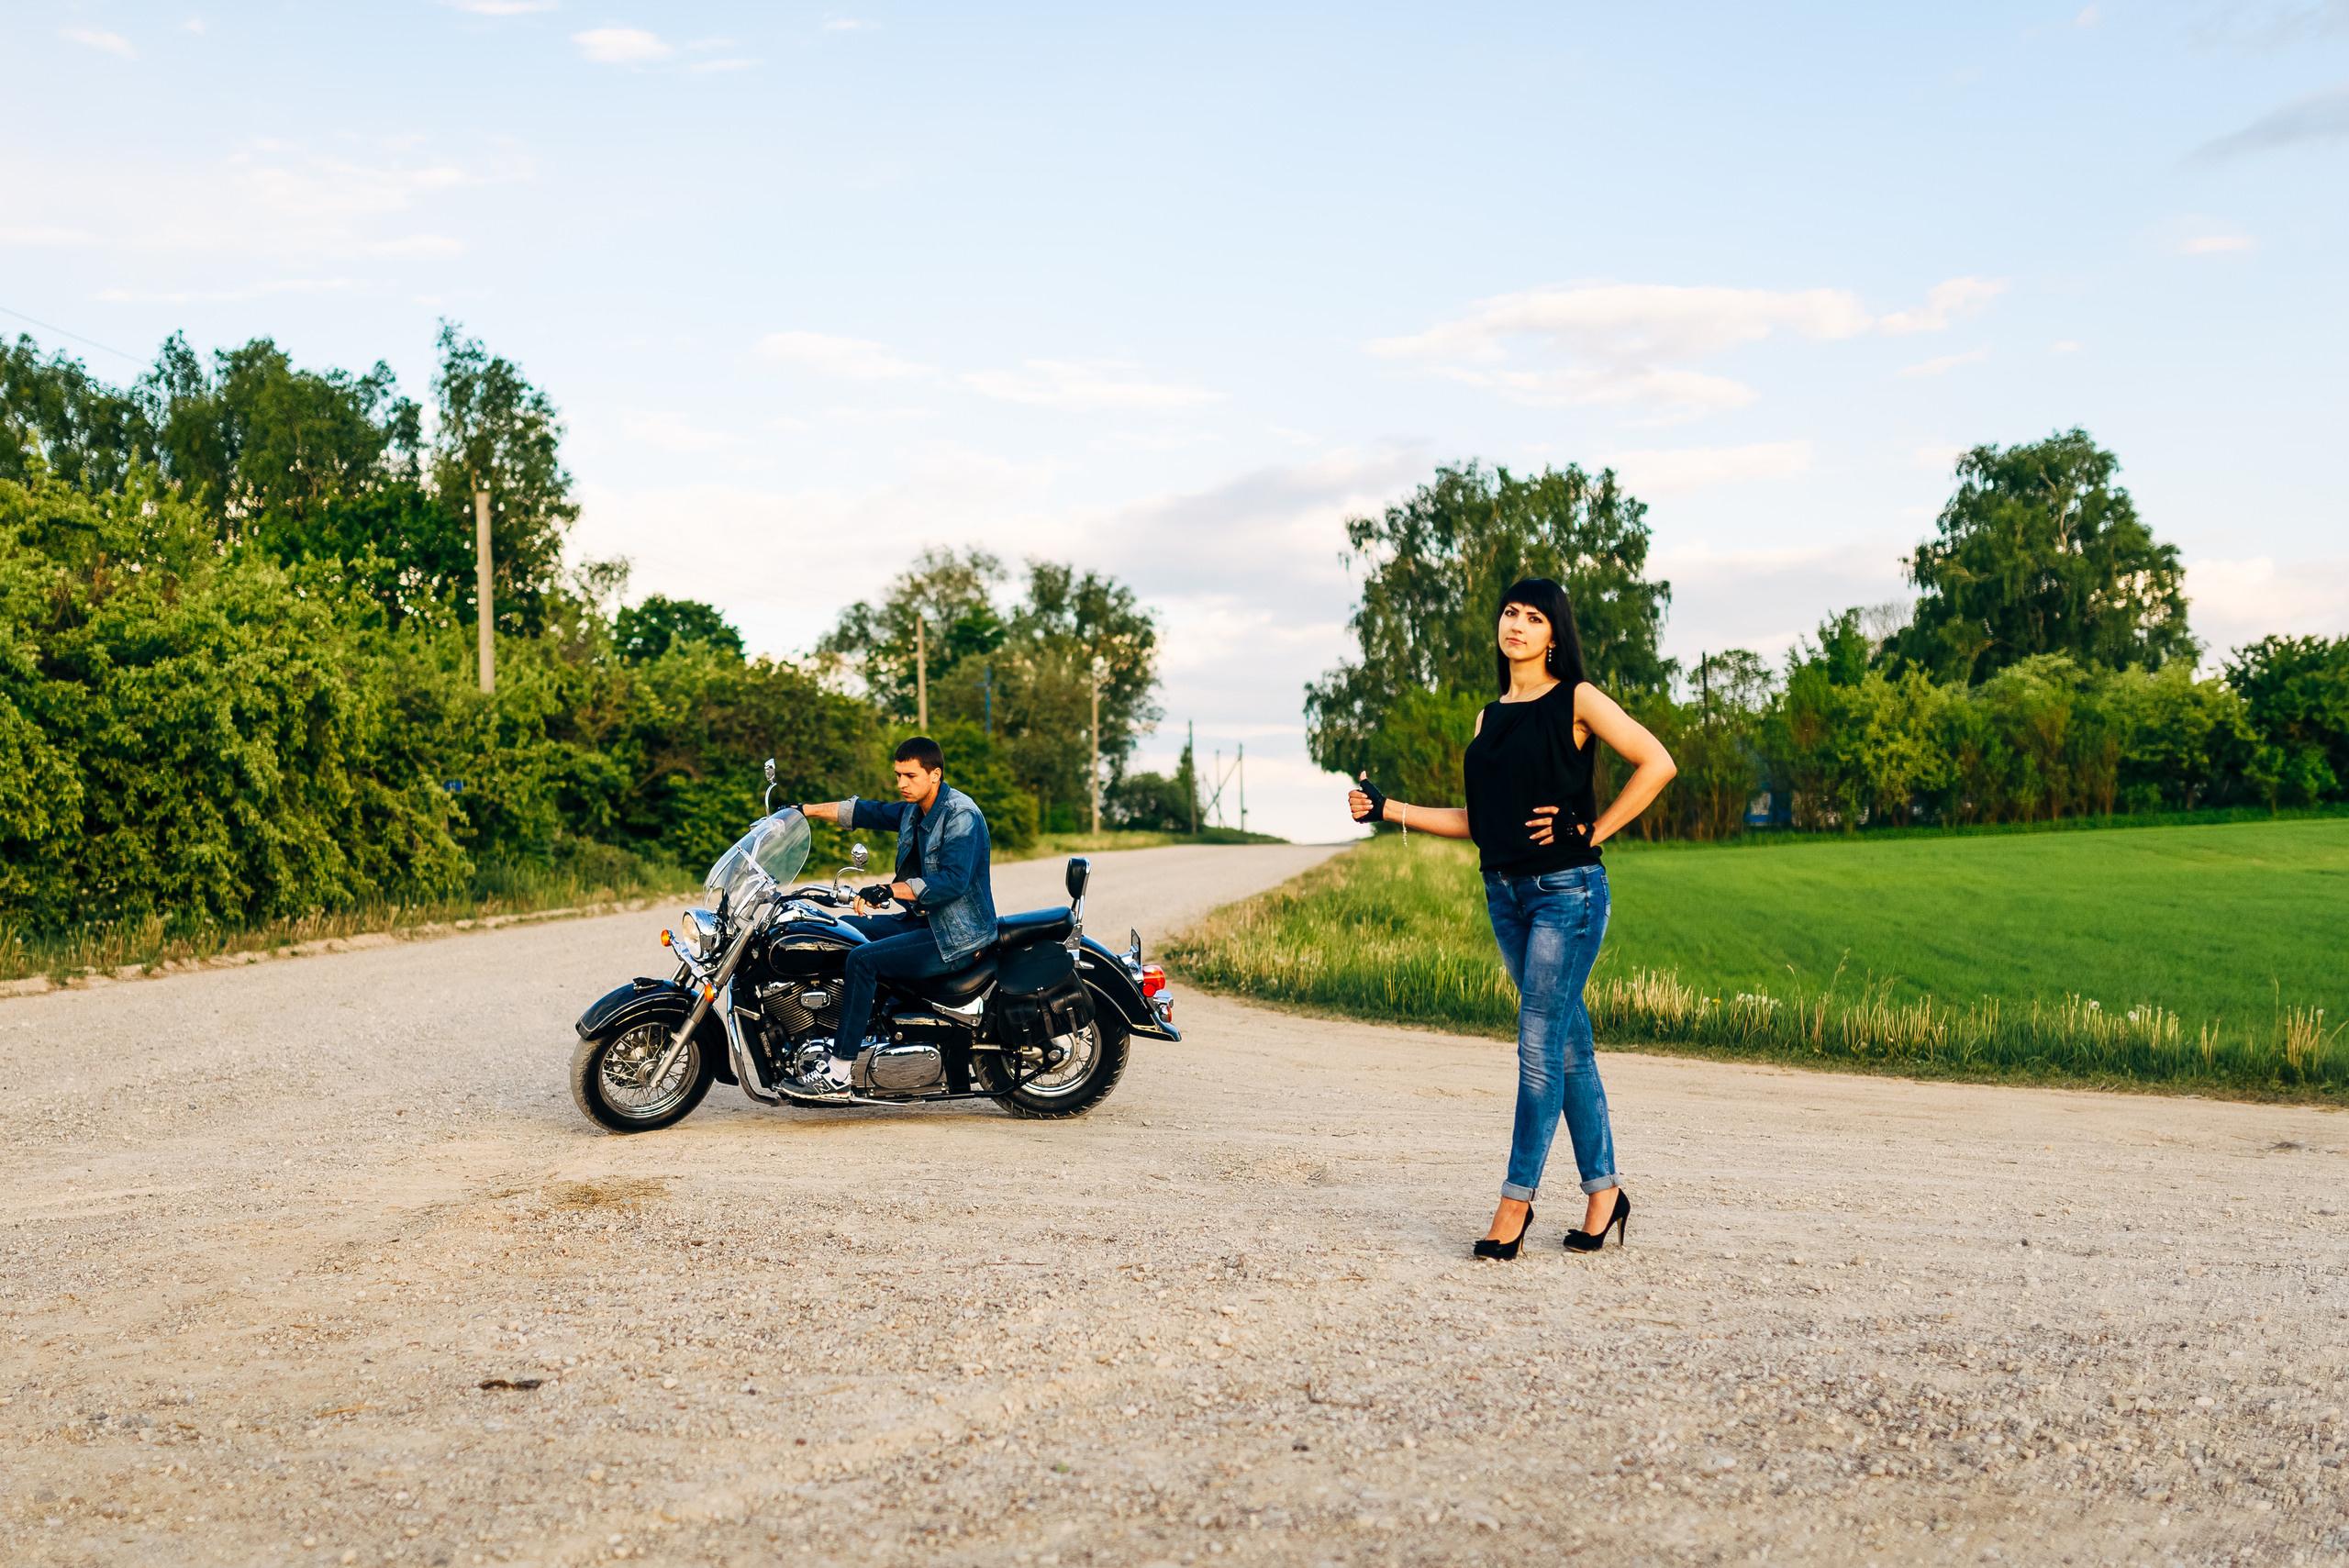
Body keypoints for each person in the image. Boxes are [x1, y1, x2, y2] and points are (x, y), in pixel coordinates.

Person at [1346, 579, 1676, 1259]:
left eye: (1534, 617)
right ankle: (1605, 1194)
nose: (1518, 625)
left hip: (1568, 892)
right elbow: (1481, 823)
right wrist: (1389, 810)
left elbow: (1657, 762)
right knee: (1568, 1047)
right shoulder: (1487, 719)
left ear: (1554, 634)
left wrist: (1592, 827)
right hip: (1507, 894)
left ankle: (1514, 1203)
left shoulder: (1576, 700)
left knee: (1535, 1049)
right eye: (1510, 613)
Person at [796, 736, 996, 1093]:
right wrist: (804, 811)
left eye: (910, 776)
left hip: (953, 937)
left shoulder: (961, 814)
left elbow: (952, 881)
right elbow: (862, 811)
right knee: (839, 931)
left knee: (862, 959)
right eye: (898, 775)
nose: (902, 784)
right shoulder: (912, 810)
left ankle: (840, 1068)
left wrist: (888, 890)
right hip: (922, 922)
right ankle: (860, 1028)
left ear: (934, 775)